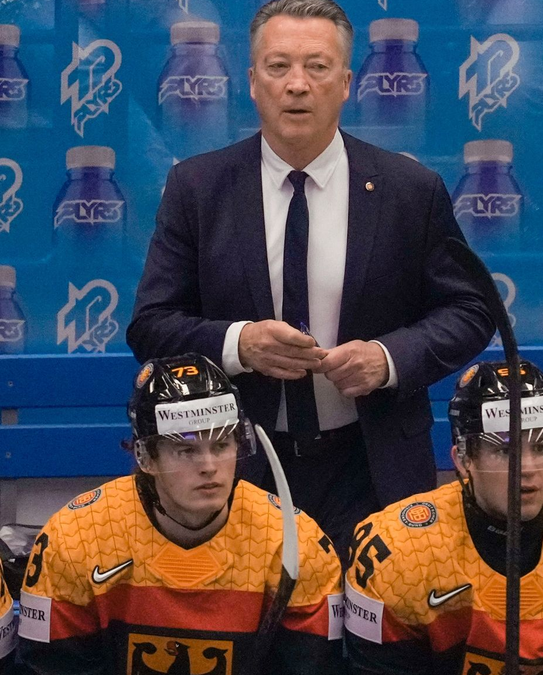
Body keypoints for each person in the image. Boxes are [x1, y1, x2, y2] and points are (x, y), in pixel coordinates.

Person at [126, 0, 493, 564]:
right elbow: (151, 325)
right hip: (235, 467)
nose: (297, 85)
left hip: (370, 466)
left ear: (346, 83)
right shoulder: (198, 189)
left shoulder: (408, 189)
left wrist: (387, 359)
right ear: (253, 82)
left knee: (373, 618)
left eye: (317, 67)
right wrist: (241, 344)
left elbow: (469, 311)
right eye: (279, 67)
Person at [17, 354, 344, 674]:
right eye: (186, 450)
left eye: (221, 445)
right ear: (146, 458)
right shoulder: (74, 538)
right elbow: (51, 666)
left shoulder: (298, 543)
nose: (209, 467)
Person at [343, 360, 543, 674]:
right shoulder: (395, 550)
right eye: (505, 450)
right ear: (463, 459)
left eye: (541, 447)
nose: (528, 468)